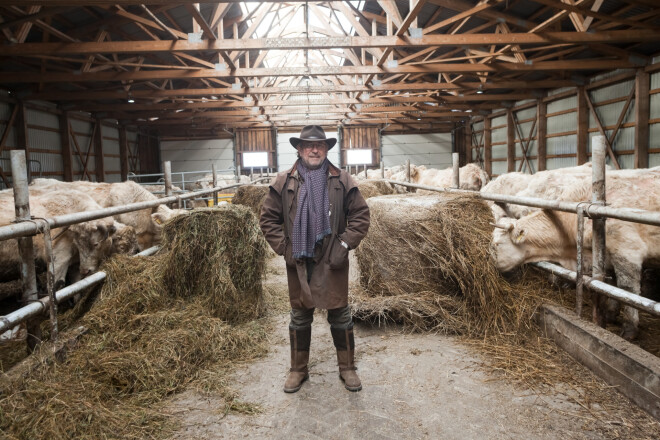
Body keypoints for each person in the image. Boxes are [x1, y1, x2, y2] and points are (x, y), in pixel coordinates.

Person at [260, 125, 370, 393]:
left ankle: (347, 368)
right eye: (308, 145)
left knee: (340, 315)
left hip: (332, 258)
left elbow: (360, 216)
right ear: (299, 149)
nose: (314, 149)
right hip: (299, 259)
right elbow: (268, 219)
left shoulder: (342, 179)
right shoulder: (284, 181)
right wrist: (285, 249)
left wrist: (344, 244)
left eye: (319, 145)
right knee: (299, 317)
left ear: (326, 149)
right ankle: (298, 369)